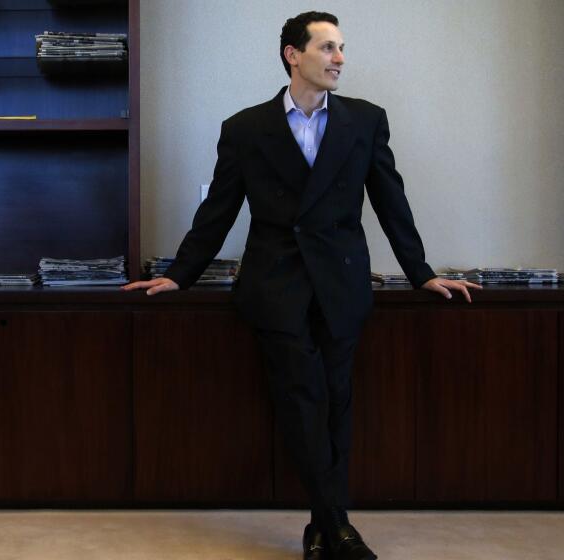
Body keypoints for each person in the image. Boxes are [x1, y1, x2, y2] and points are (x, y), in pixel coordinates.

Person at [122, 10, 482, 560]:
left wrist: (421, 272)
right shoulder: (245, 129)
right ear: (294, 54)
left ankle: (321, 528)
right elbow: (218, 211)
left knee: (337, 399)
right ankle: (339, 525)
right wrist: (180, 274)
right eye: (328, 48)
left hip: (341, 282)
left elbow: (391, 200)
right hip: (275, 284)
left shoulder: (365, 120)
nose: (340, 58)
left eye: (341, 48)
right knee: (303, 394)